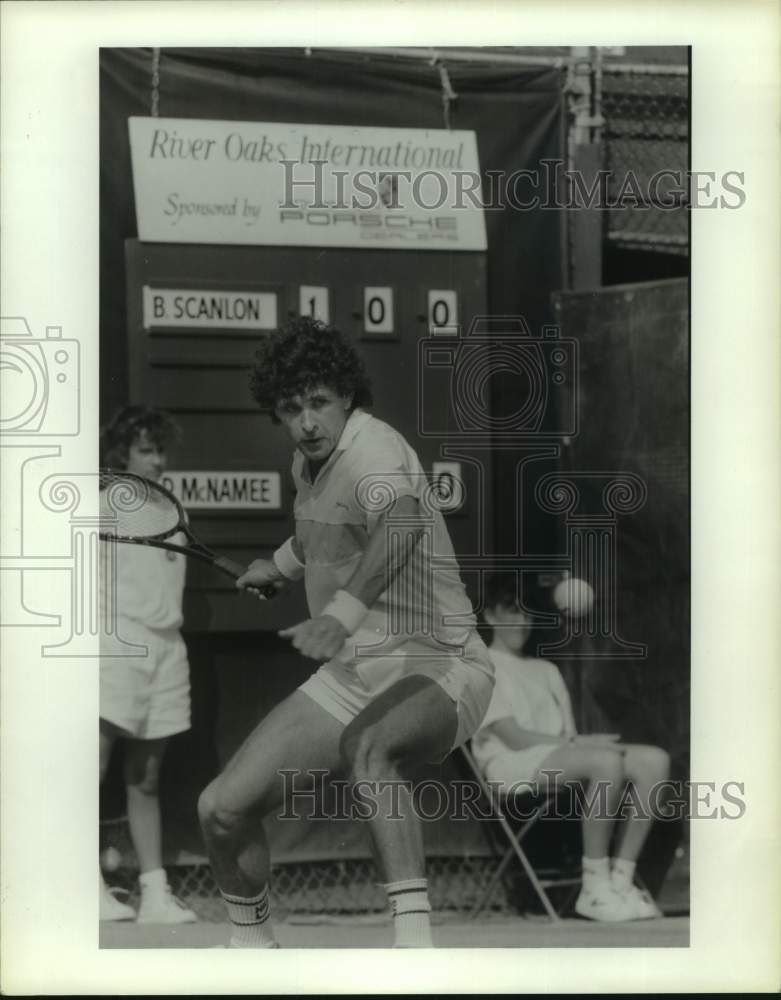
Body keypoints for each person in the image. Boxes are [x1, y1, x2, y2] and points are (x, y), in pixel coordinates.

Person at [197, 317, 495, 948]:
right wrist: (275, 567)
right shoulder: (307, 465)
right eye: (290, 408)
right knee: (221, 809)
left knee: (368, 748)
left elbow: (403, 523)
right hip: (356, 675)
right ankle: (252, 949)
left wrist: (342, 614)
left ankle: (415, 950)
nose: (307, 421)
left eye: (319, 403)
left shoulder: (376, 451)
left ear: (346, 398)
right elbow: (317, 540)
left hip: (443, 664)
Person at [471, 572, 670, 922]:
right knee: (606, 762)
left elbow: (569, 736)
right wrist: (580, 743)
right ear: (490, 616)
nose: (521, 622)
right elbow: (514, 737)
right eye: (511, 612)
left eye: (527, 614)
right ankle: (593, 889)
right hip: (510, 765)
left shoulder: (546, 670)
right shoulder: (479, 667)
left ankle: (620, 880)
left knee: (654, 761)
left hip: (555, 759)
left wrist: (578, 743)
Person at [98, 406, 197, 924]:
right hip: (115, 643)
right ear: (121, 454)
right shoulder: (99, 507)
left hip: (167, 648)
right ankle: (81, 884)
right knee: (87, 769)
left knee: (148, 776)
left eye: (161, 450)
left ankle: (154, 894)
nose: (157, 460)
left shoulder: (174, 512)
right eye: (145, 449)